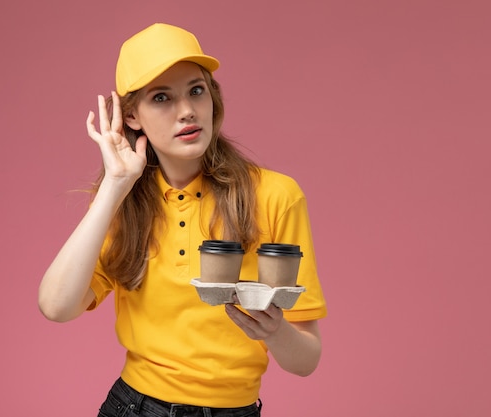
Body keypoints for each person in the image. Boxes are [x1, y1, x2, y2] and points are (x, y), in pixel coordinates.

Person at [39, 23, 327, 417]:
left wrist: (275, 332)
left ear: (213, 97)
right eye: (161, 98)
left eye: (196, 90)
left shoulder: (276, 196)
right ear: (132, 117)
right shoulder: (122, 202)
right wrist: (114, 186)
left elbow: (305, 360)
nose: (187, 110)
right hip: (135, 407)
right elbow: (56, 306)